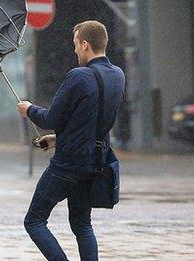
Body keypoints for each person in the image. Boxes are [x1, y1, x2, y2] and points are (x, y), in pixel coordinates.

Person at [17, 20, 125, 260]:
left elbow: (51, 117)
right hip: (95, 162)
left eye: (76, 44)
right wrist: (57, 139)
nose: (75, 49)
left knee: (34, 220)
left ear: (85, 44)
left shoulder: (78, 76)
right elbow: (95, 121)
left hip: (67, 165)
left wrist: (29, 109)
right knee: (82, 226)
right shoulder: (117, 75)